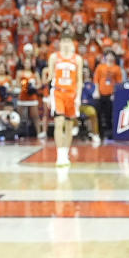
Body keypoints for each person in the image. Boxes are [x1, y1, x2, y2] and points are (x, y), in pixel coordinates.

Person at [47, 34, 84, 167]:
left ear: (73, 43)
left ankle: (65, 154)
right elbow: (50, 78)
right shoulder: (54, 57)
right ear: (60, 43)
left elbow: (79, 81)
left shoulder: (77, 59)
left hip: (72, 94)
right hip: (58, 93)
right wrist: (48, 96)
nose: (66, 44)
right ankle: (59, 155)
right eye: (64, 41)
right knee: (59, 122)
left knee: (69, 125)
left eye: (69, 41)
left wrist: (78, 97)